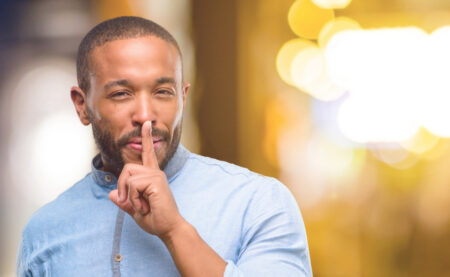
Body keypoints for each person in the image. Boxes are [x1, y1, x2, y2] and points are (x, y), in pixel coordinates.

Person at [16, 16, 312, 276]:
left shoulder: (258, 203)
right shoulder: (44, 232)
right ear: (82, 106)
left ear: (183, 98)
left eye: (162, 92)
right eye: (121, 94)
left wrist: (175, 231)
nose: (145, 115)